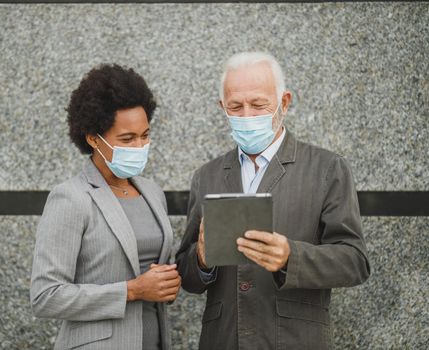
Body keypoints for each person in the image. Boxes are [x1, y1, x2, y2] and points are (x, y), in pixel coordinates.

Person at [175, 52, 370, 349]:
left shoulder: (327, 168)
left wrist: (291, 256)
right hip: (224, 339)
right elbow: (188, 277)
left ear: (285, 102)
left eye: (258, 104)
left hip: (296, 340)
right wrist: (200, 258)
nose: (247, 115)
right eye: (235, 107)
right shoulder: (207, 176)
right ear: (222, 108)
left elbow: (355, 261)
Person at [30, 64, 180, 350]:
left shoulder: (151, 192)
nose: (139, 146)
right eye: (127, 139)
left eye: (145, 135)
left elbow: (157, 274)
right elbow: (45, 296)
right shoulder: (71, 198)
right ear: (92, 138)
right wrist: (132, 291)